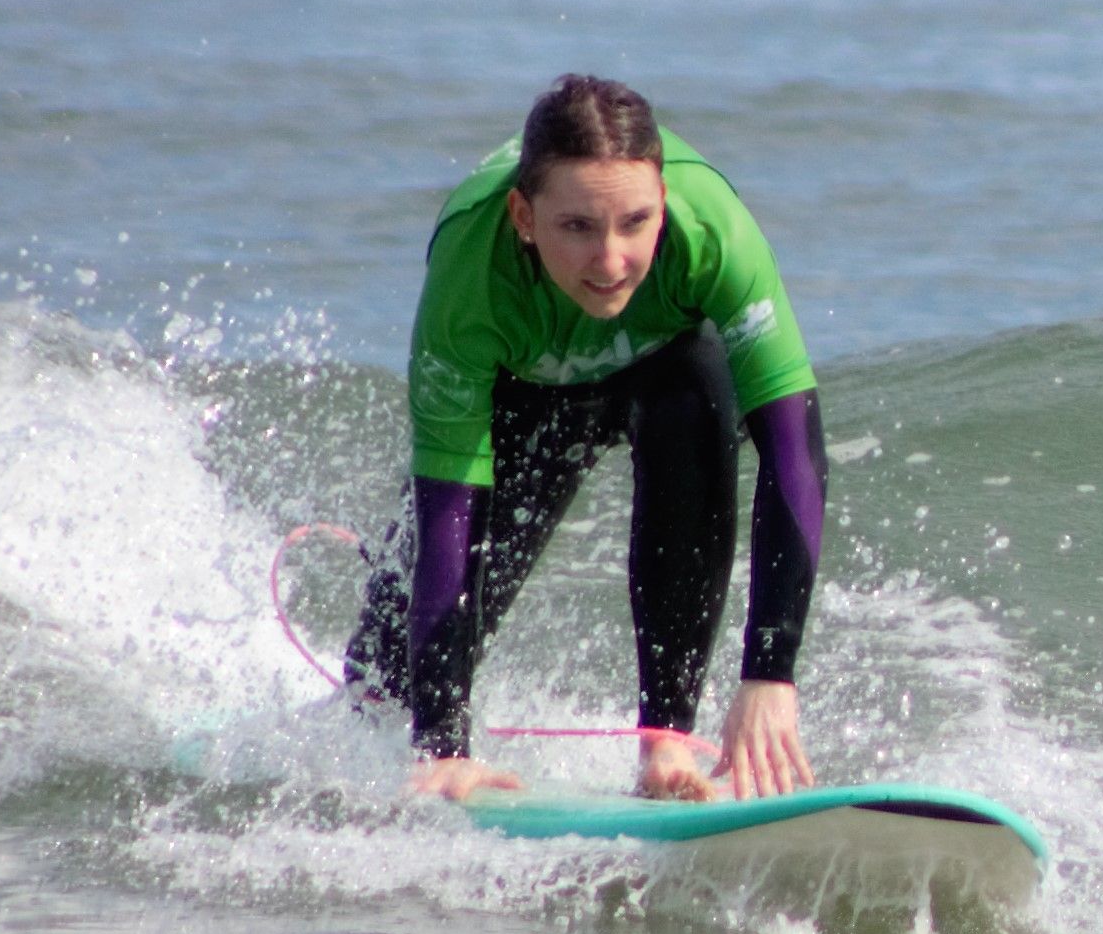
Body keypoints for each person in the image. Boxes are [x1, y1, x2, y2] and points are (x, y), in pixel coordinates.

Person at [344, 73, 828, 803]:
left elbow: (794, 451)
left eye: (636, 222)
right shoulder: (470, 273)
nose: (610, 262)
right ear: (524, 216)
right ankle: (401, 741)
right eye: (577, 227)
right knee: (381, 688)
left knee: (699, 391)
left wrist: (770, 673)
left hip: (665, 381)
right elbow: (450, 508)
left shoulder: (714, 233)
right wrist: (443, 747)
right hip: (526, 400)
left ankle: (665, 742)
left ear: (663, 205)